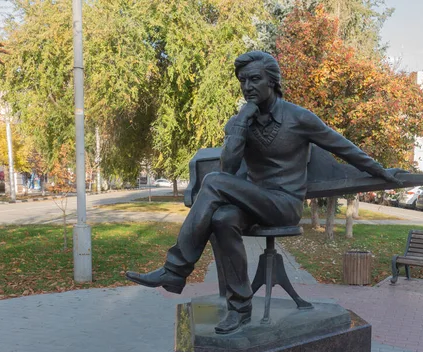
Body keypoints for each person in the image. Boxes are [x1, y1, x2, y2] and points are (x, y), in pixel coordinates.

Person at [126, 51, 401, 334]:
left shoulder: (298, 117)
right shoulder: (240, 122)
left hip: (284, 205)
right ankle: (240, 309)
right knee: (223, 218)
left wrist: (381, 172)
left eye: (255, 79)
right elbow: (230, 168)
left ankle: (175, 270)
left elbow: (343, 146)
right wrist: (241, 124)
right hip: (252, 202)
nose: (247, 87)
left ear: (272, 81)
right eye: (242, 81)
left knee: (213, 182)